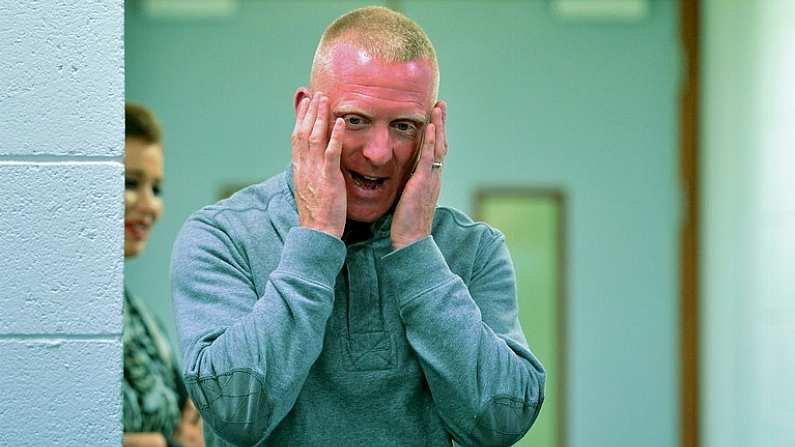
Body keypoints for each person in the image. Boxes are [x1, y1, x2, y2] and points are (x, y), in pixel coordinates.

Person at [171, 6, 544, 447]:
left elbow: (500, 423)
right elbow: (237, 413)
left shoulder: (473, 250)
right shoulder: (222, 238)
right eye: (356, 120)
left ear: (431, 131)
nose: (380, 153)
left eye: (404, 126)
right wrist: (315, 241)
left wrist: (416, 253)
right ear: (306, 114)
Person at [124, 103, 205, 447]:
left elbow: (187, 423)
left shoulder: (143, 320)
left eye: (156, 189)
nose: (150, 205)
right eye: (131, 183)